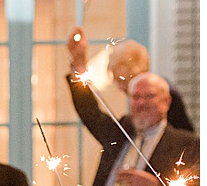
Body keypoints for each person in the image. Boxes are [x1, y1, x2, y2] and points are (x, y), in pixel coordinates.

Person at [66, 29, 194, 137]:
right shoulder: (130, 125)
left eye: (119, 81)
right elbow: (94, 118)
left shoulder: (162, 95)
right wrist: (78, 64)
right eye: (135, 97)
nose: (119, 88)